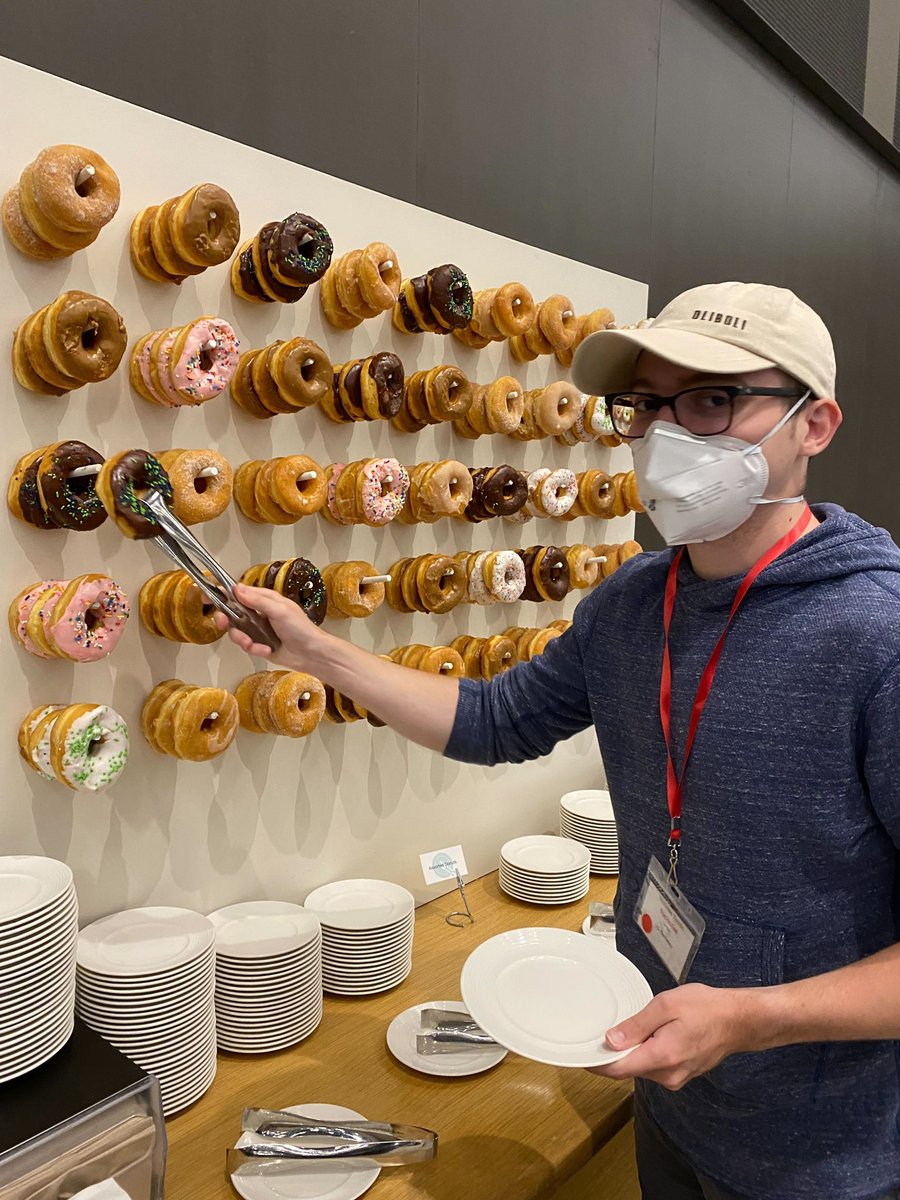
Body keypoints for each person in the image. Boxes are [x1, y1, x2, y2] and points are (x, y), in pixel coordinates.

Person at [219, 281, 900, 1200]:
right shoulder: (630, 603)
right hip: (665, 1092)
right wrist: (316, 651)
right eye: (646, 407)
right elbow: (495, 721)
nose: (667, 437)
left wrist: (755, 1019)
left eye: (711, 401)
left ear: (814, 426)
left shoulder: (877, 635)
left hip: (822, 1154)